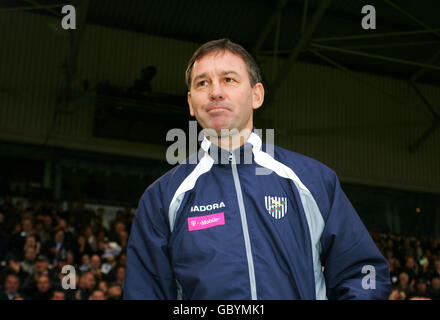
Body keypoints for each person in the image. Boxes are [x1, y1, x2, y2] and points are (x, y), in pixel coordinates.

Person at [123, 38, 391, 300]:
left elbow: (363, 273)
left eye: (229, 79)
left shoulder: (313, 180)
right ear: (191, 103)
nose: (215, 91)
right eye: (202, 83)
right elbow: (144, 292)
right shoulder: (162, 197)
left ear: (256, 95)